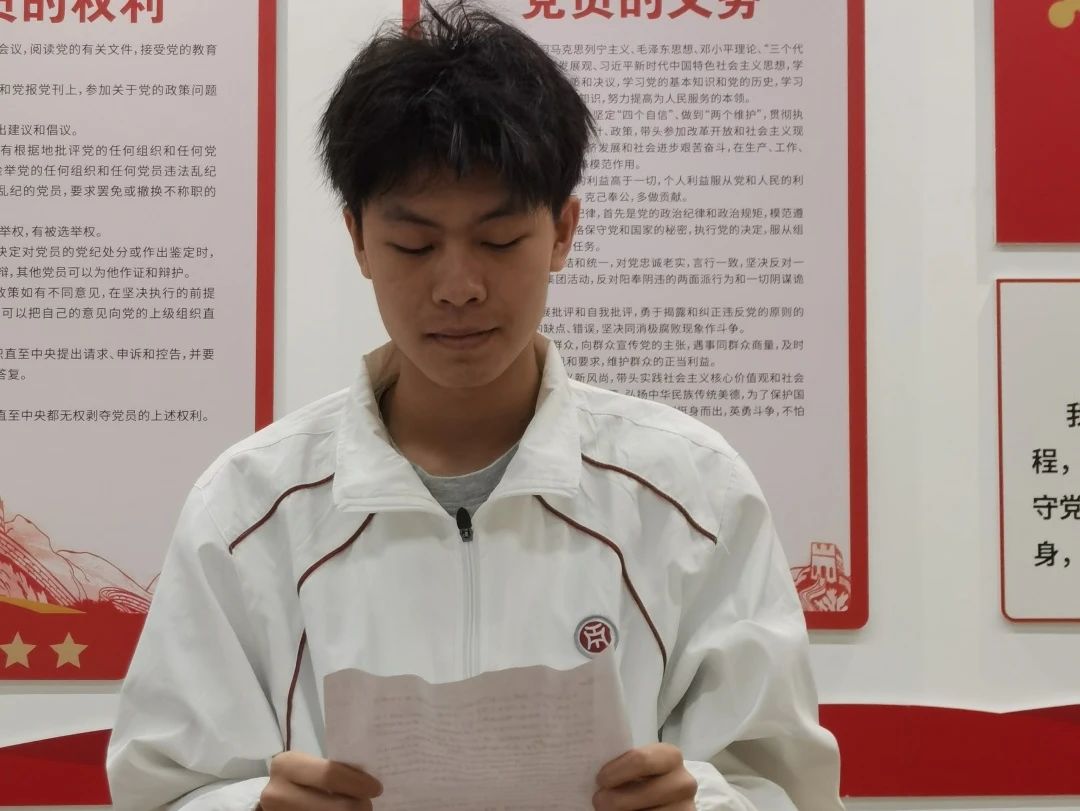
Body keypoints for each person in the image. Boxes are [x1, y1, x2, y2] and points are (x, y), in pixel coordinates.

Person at [106, 2, 844, 808]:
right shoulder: (250, 509)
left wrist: (704, 801)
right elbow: (164, 787)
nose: (458, 286)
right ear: (358, 239)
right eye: (414, 244)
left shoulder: (690, 492)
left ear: (563, 231)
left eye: (498, 240)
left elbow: (784, 784)